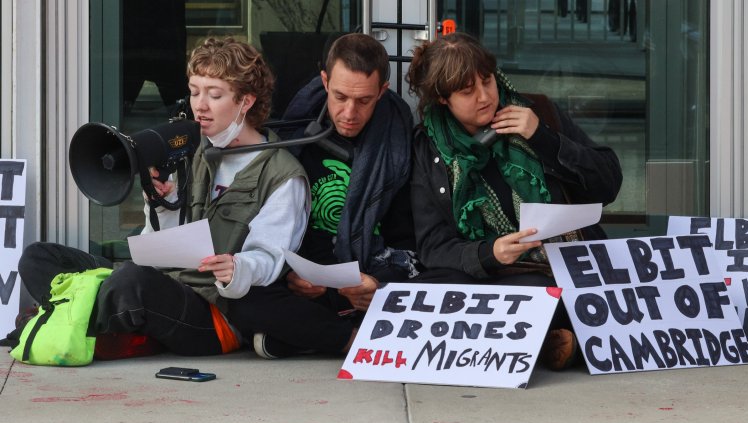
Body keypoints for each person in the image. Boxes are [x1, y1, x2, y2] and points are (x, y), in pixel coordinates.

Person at [16, 37, 310, 357]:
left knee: (132, 282)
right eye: (195, 91)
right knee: (38, 257)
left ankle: (61, 319)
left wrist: (238, 268)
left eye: (214, 95)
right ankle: (86, 320)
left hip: (214, 314)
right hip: (161, 283)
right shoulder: (188, 149)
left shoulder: (282, 174)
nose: (200, 105)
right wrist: (161, 204)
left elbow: (270, 258)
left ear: (246, 101)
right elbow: (156, 249)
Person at [405, 32, 622, 370]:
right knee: (429, 289)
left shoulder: (538, 112)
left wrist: (544, 138)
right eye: (467, 91)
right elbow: (433, 246)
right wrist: (488, 253)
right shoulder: (429, 149)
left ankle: (543, 338)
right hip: (497, 277)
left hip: (561, 268)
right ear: (443, 99)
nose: (484, 97)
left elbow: (607, 184)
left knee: (558, 291)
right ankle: (557, 339)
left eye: (487, 81)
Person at [247, 33, 418, 359]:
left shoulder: (400, 147)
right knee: (244, 292)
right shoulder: (294, 136)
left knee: (431, 288)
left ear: (382, 91)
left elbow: (410, 245)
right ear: (325, 81)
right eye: (340, 97)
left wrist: (378, 285)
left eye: (364, 100)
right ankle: (350, 338)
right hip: (310, 283)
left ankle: (311, 334)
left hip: (371, 277)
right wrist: (291, 276)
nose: (350, 112)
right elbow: (271, 231)